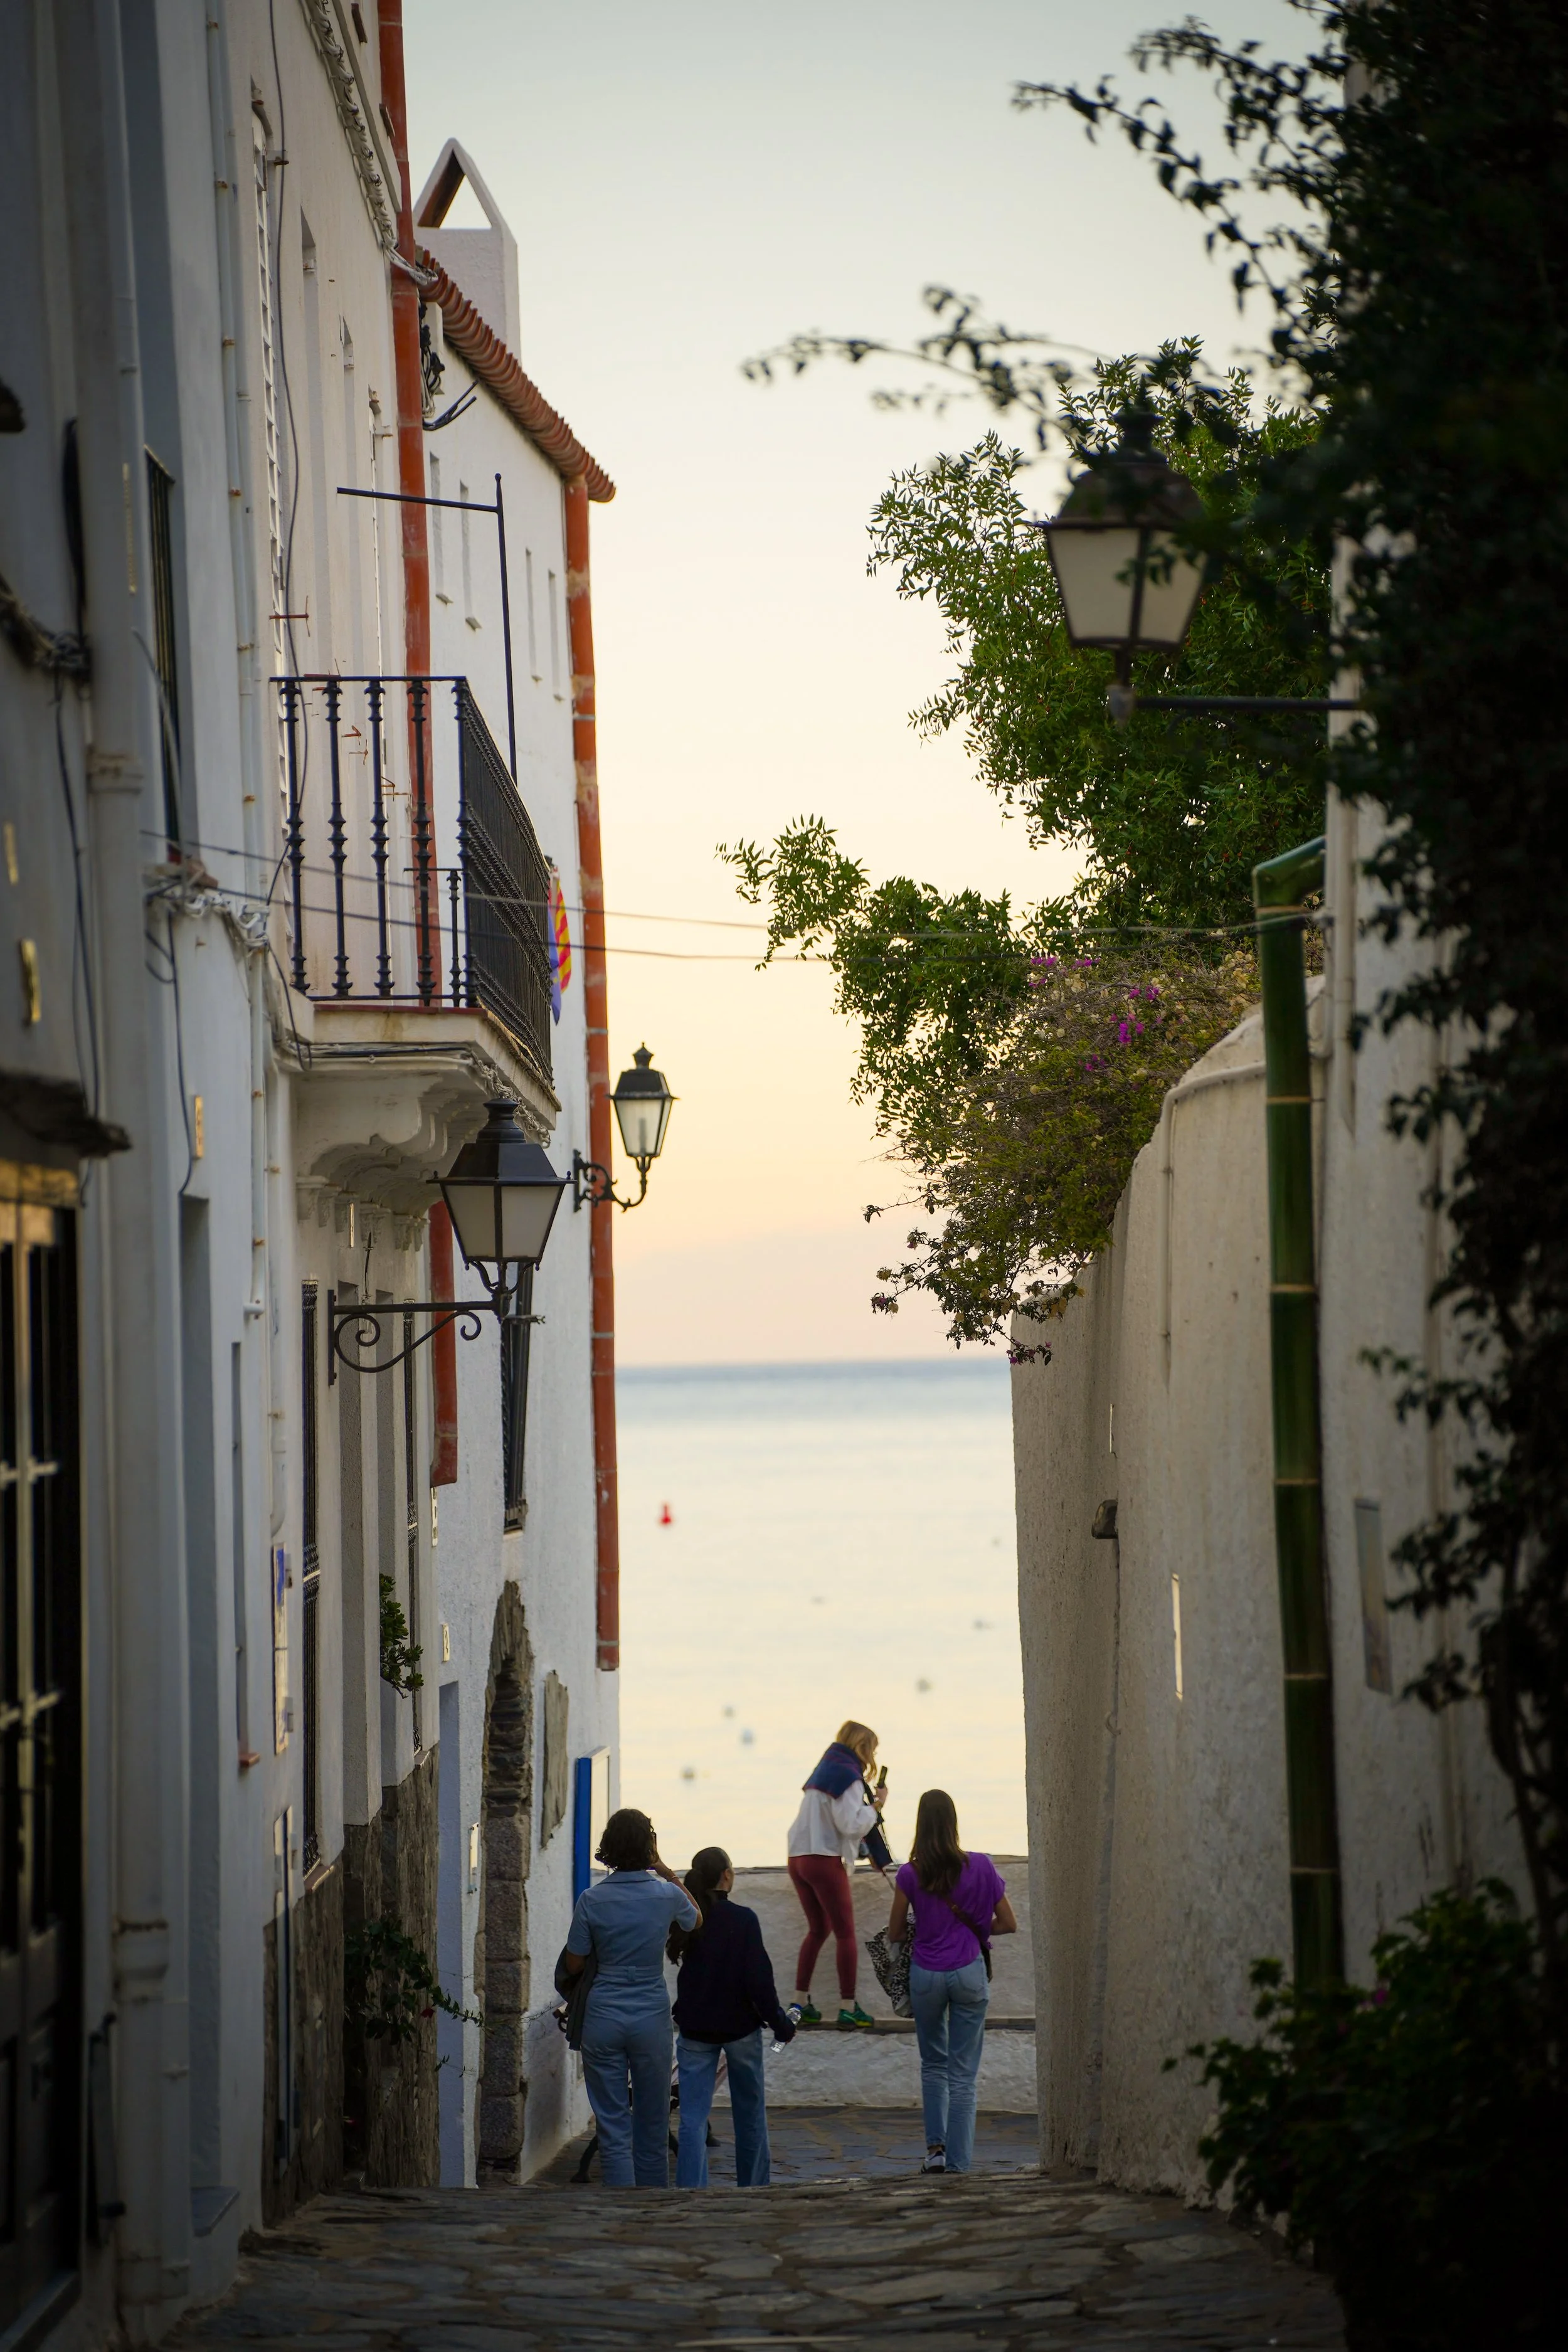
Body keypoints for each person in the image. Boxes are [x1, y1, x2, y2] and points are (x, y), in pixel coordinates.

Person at [561, 1806, 697, 2188]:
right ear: (648, 1847)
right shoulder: (666, 1894)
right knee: (653, 2124)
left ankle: (619, 2207)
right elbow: (695, 1919)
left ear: (609, 1847)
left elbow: (574, 1963)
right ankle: (650, 2207)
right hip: (650, 2015)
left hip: (603, 2015)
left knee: (612, 2125)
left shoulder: (591, 1899)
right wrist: (666, 1870)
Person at [887, 1788, 1017, 2176]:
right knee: (963, 2075)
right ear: (953, 1823)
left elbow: (895, 1933)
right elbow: (1008, 1923)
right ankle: (959, 2166)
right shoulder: (982, 1866)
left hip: (926, 1974)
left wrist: (928, 1927)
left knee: (933, 2065)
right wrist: (974, 1932)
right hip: (969, 1973)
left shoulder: (909, 1874)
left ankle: (936, 2152)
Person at [669, 1846, 797, 2188]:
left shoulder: (688, 1919)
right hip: (741, 2029)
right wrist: (781, 2025)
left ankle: (690, 2191)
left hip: (695, 2029)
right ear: (727, 1875)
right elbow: (759, 1982)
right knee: (750, 2116)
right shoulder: (743, 1920)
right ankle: (753, 2190)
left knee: (692, 2119)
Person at [786, 1719, 886, 2027]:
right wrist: (877, 1806)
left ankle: (800, 2004)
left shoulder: (823, 1770)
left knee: (818, 1930)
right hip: (823, 1859)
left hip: (797, 1857)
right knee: (845, 1933)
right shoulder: (849, 1777)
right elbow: (850, 1825)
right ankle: (848, 2006)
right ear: (863, 1747)